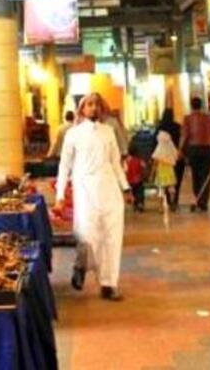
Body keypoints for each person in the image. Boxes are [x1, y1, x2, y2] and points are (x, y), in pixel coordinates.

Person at [55, 92, 132, 301]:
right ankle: (82, 265)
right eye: (89, 105)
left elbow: (115, 162)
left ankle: (109, 284)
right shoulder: (73, 134)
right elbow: (64, 166)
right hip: (85, 189)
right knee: (89, 236)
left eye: (96, 104)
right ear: (82, 109)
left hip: (109, 190)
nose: (93, 108)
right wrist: (60, 195)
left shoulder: (108, 131)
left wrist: (125, 188)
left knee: (112, 238)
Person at [179, 97, 210, 212]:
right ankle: (203, 201)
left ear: (191, 105)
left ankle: (199, 198)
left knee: (196, 176)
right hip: (207, 149)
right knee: (206, 176)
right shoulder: (208, 118)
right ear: (201, 105)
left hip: (194, 149)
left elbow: (185, 135)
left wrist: (181, 150)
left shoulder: (188, 119)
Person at [157, 108, 183, 211]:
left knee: (164, 181)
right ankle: (174, 201)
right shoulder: (177, 127)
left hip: (163, 159)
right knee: (176, 180)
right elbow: (181, 140)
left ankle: (166, 200)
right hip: (175, 157)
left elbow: (155, 145)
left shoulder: (160, 128)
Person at [151, 129, 179, 210]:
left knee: (161, 190)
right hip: (170, 172)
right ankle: (172, 203)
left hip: (161, 173)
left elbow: (155, 163)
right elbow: (175, 158)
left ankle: (161, 207)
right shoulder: (170, 149)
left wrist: (152, 174)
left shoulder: (158, 150)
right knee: (171, 189)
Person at [125, 143, 146, 212]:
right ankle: (140, 204)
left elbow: (125, 169)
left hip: (130, 180)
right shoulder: (139, 160)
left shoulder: (127, 160)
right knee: (140, 192)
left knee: (133, 192)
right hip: (138, 179)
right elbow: (143, 166)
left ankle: (135, 204)